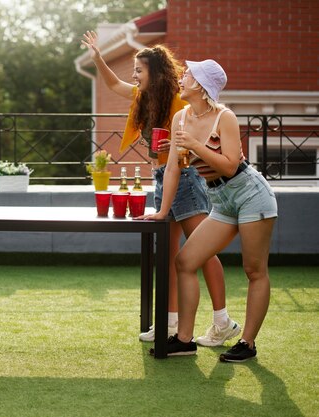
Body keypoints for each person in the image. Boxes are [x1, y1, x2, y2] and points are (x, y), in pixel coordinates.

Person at [81, 31, 240, 345]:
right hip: (162, 180)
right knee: (167, 254)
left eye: (139, 70)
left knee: (202, 251)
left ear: (155, 72)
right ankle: (169, 323)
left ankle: (223, 321)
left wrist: (179, 148)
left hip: (186, 179)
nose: (135, 75)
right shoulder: (145, 98)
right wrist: (98, 56)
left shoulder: (177, 102)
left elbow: (200, 135)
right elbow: (113, 84)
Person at [146, 59, 277, 361]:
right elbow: (173, 169)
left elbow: (230, 164)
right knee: (186, 261)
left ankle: (247, 342)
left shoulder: (224, 117)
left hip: (250, 195)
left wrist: (194, 145)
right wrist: (163, 211)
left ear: (202, 85)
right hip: (221, 200)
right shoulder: (181, 117)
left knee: (254, 270)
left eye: (189, 74)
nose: (182, 77)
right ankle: (184, 340)